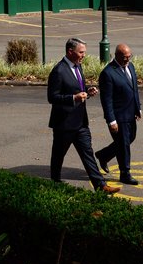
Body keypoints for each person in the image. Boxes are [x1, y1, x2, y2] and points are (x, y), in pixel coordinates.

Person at [47, 37, 120, 194]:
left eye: (84, 52)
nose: (84, 55)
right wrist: (74, 98)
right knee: (58, 154)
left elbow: (77, 87)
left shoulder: (78, 67)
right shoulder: (58, 71)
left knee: (88, 153)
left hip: (80, 122)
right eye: (81, 52)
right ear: (70, 51)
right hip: (64, 123)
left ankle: (101, 185)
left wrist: (88, 90)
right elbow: (52, 97)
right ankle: (54, 181)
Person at [96, 43, 142, 185]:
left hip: (130, 113)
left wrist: (137, 108)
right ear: (116, 56)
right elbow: (107, 100)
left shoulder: (131, 67)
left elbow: (134, 88)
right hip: (118, 116)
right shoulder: (108, 73)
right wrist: (111, 121)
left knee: (130, 138)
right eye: (124, 57)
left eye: (129, 56)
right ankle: (125, 173)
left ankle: (103, 155)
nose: (127, 60)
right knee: (123, 144)